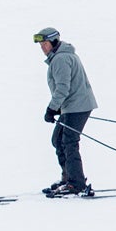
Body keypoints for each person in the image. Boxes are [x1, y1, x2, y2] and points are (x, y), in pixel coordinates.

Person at [34, 28, 98, 197]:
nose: (42, 47)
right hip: (72, 106)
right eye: (41, 44)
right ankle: (69, 178)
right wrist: (58, 107)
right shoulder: (60, 57)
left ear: (54, 42)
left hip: (77, 106)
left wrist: (51, 108)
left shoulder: (61, 59)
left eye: (45, 44)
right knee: (58, 139)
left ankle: (76, 183)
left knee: (69, 142)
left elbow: (62, 88)